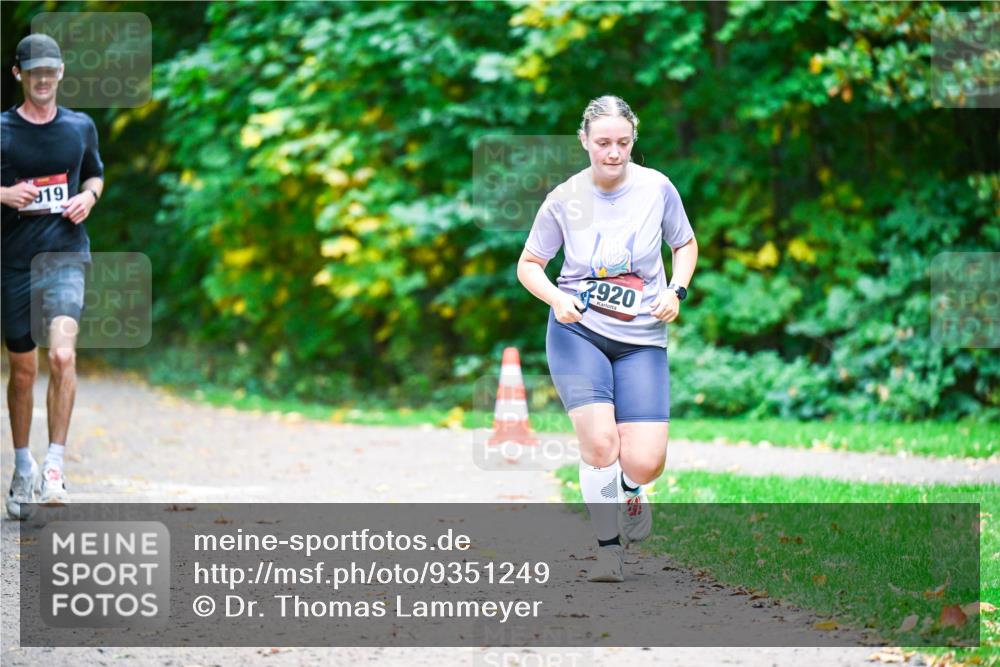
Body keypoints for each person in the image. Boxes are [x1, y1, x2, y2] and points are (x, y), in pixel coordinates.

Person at [517, 95, 697, 582]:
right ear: (584, 142)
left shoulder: (657, 188)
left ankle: (629, 489)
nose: (613, 152)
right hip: (580, 330)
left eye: (622, 142)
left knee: (646, 460)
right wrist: (556, 298)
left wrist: (677, 291)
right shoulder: (563, 199)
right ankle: (607, 550)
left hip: (642, 335)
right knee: (600, 442)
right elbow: (529, 265)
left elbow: (683, 243)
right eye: (603, 143)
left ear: (633, 140)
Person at [1, 34, 104, 517]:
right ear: (19, 75)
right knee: (23, 370)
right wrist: (3, 195)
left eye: (51, 70)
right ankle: (23, 466)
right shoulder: (1, 130)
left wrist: (90, 197)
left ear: (61, 73)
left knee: (62, 354)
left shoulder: (80, 127)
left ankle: (56, 465)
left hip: (65, 256)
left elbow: (94, 174)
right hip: (14, 262)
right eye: (33, 71)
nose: (43, 78)